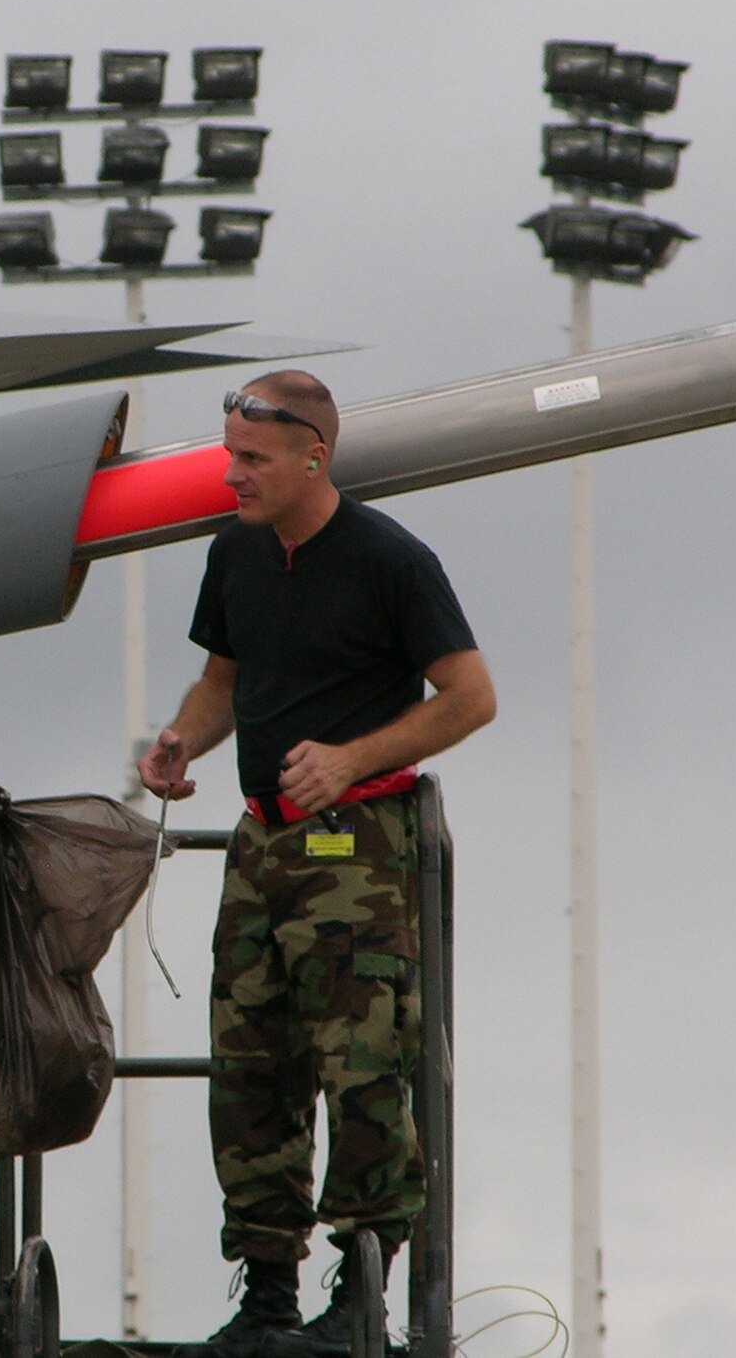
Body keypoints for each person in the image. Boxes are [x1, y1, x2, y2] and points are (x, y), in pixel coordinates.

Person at [137, 372, 496, 1358]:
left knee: (365, 1066)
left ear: (312, 457)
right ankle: (263, 1296)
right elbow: (224, 679)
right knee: (250, 1062)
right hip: (259, 847)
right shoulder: (235, 554)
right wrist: (179, 741)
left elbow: (468, 697)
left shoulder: (388, 560)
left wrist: (352, 757)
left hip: (358, 848)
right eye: (228, 456)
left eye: (250, 461)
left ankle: (363, 1292)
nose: (231, 477)